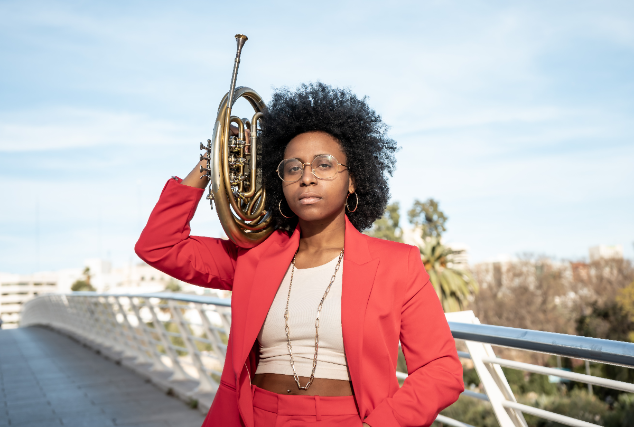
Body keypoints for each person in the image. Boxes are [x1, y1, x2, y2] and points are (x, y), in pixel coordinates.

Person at [135, 82, 463, 427]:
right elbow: (159, 245)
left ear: (353, 180)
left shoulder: (397, 263)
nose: (306, 177)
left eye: (324, 165)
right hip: (255, 417)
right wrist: (214, 161)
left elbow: (441, 369)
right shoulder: (253, 256)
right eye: (293, 168)